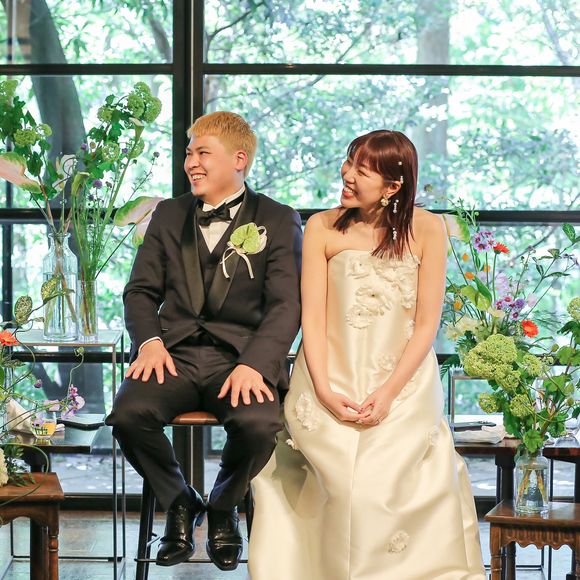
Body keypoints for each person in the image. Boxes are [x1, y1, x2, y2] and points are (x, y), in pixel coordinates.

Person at [249, 130, 485, 579]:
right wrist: (323, 390)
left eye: (361, 170)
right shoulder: (321, 226)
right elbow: (312, 318)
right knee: (341, 486)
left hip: (403, 385)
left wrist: (389, 393)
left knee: (378, 489)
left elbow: (426, 324)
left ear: (393, 186)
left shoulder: (428, 229)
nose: (347, 175)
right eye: (348, 162)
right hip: (327, 378)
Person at [106, 111, 302, 571]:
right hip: (171, 355)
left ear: (239, 159)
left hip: (240, 359)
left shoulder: (278, 219)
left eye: (202, 153)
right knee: (128, 416)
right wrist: (149, 342)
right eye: (188, 153)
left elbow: (286, 305)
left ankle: (223, 505)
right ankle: (179, 499)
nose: (191, 162)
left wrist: (255, 364)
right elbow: (140, 292)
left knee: (260, 424)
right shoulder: (169, 214)